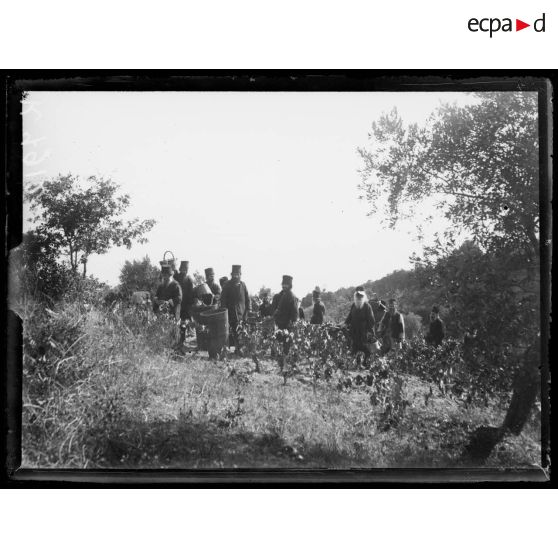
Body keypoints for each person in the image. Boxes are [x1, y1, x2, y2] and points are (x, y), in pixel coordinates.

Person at [220, 264, 251, 354]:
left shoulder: (243, 285)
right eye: (234, 274)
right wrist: (224, 311)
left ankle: (241, 349)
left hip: (242, 312)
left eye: (237, 274)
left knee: (242, 331)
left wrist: (248, 310)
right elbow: (223, 299)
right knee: (234, 331)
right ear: (231, 274)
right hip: (231, 313)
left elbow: (248, 299)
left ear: (240, 274)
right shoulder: (227, 285)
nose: (236, 276)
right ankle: (238, 348)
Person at [344, 286, 376, 365]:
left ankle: (366, 363)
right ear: (355, 296)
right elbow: (350, 316)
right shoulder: (353, 305)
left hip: (364, 332)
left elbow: (371, 321)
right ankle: (356, 363)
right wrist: (345, 323)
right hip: (354, 331)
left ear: (363, 296)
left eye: (361, 296)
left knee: (365, 348)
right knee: (355, 347)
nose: (359, 297)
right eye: (357, 295)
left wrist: (370, 332)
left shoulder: (367, 306)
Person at [174, 260, 195, 343]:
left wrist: (190, 305)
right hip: (177, 304)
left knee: (183, 324)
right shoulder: (176, 277)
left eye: (185, 269)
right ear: (180, 269)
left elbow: (191, 293)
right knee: (176, 323)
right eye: (182, 269)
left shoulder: (189, 279)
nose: (184, 270)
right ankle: (177, 342)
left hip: (185, 306)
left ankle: (181, 342)